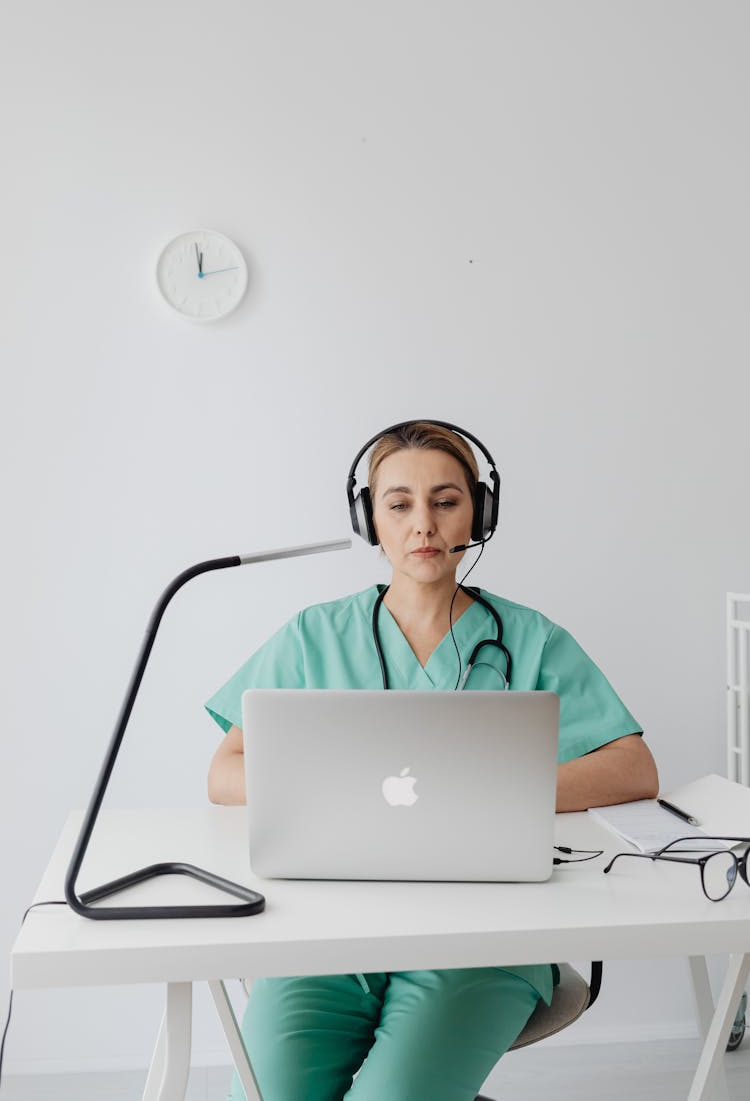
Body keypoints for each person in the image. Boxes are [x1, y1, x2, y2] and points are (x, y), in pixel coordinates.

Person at [206, 420, 658, 1101]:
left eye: (446, 500)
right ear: (370, 519)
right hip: (328, 938)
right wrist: (337, 792)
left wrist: (495, 791)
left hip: (486, 936)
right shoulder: (312, 636)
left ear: (479, 511)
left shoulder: (530, 640)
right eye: (399, 504)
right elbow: (224, 771)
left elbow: (633, 767)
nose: (424, 523)